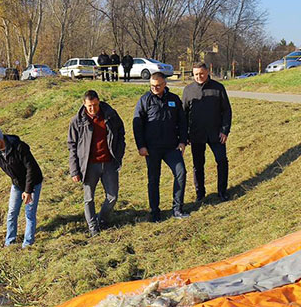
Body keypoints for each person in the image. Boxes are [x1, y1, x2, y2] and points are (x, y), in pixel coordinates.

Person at [67, 90, 126, 237]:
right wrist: (74, 171)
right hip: (88, 165)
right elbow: (72, 146)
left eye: (95, 105)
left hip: (109, 163)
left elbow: (121, 133)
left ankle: (101, 220)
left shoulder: (110, 115)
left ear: (99, 101)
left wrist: (119, 153)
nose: (92, 109)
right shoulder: (77, 121)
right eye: (89, 106)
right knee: (89, 198)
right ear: (84, 104)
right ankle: (93, 227)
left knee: (112, 197)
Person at [133, 72, 189, 221]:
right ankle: (155, 212)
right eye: (152, 86)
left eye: (158, 85)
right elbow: (137, 125)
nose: (155, 88)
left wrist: (182, 141)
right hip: (152, 149)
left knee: (181, 173)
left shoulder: (174, 100)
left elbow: (182, 122)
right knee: (153, 179)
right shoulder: (145, 100)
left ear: (165, 84)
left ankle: (177, 209)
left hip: (171, 147)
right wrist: (141, 146)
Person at [0, 127, 43, 246]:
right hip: (17, 184)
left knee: (30, 213)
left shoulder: (19, 147)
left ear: (0, 139)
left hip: (32, 183)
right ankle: (9, 242)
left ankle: (27, 243)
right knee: (12, 212)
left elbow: (30, 169)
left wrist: (28, 191)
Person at [182, 61, 232, 202]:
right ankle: (200, 193)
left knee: (222, 161)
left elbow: (227, 111)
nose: (199, 76)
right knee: (198, 165)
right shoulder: (188, 90)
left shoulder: (218, 88)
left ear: (208, 71)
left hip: (216, 133)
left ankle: (222, 191)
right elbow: (183, 114)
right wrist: (185, 135)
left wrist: (225, 131)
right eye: (196, 74)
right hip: (196, 134)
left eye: (202, 73)